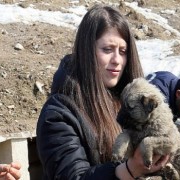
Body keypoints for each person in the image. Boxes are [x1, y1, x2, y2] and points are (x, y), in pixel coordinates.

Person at [36, 4, 169, 180]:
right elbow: (73, 177)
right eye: (107, 49)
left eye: (123, 51)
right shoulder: (58, 114)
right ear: (87, 52)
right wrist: (127, 171)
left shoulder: (129, 103)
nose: (117, 60)